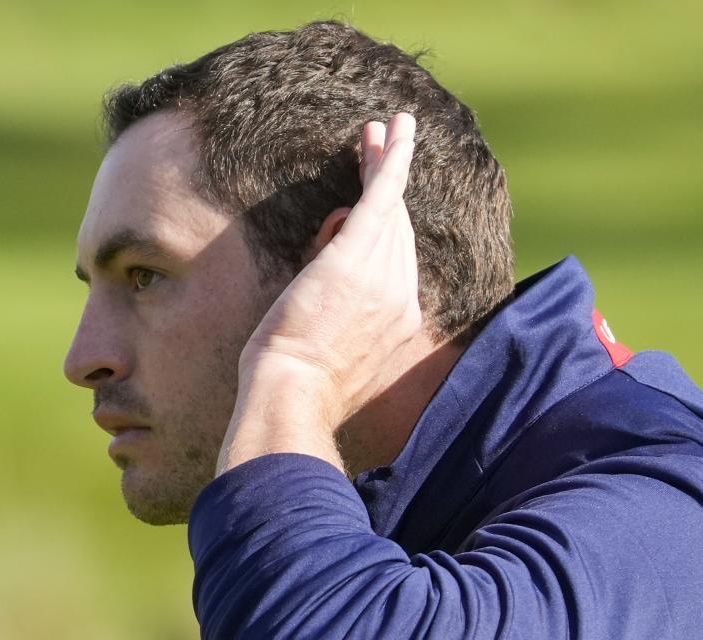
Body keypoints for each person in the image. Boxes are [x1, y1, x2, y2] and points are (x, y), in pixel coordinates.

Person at [64, 20, 703, 639]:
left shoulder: (664, 515)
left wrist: (296, 370)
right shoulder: (409, 498)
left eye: (144, 276)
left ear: (339, 265)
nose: (83, 359)